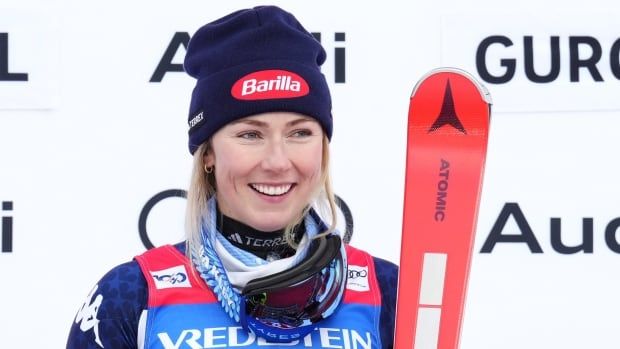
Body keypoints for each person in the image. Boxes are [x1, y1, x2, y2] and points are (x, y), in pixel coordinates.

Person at [66, 5, 398, 349]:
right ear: (208, 153)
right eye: (250, 135)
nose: (277, 161)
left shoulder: (387, 292)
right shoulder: (132, 297)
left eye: (299, 133)